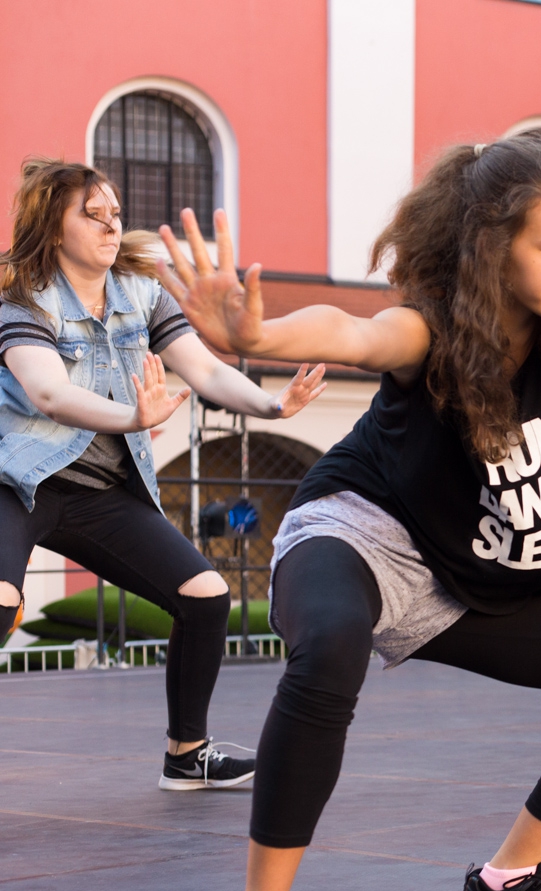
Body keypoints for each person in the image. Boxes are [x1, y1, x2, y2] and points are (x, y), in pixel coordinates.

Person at [160, 132, 541, 891]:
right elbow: (356, 332)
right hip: (363, 532)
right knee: (328, 649)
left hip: (473, 578)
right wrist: (258, 333)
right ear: (493, 247)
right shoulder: (432, 325)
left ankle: (507, 883)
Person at [0, 158, 326, 791]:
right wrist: (131, 414)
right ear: (52, 226)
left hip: (98, 492)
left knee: (204, 595)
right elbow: (46, 393)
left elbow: (204, 371)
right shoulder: (22, 299)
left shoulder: (141, 295)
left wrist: (272, 405)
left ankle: (186, 754)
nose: (110, 226)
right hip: (16, 479)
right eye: (91, 215)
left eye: (115, 213)